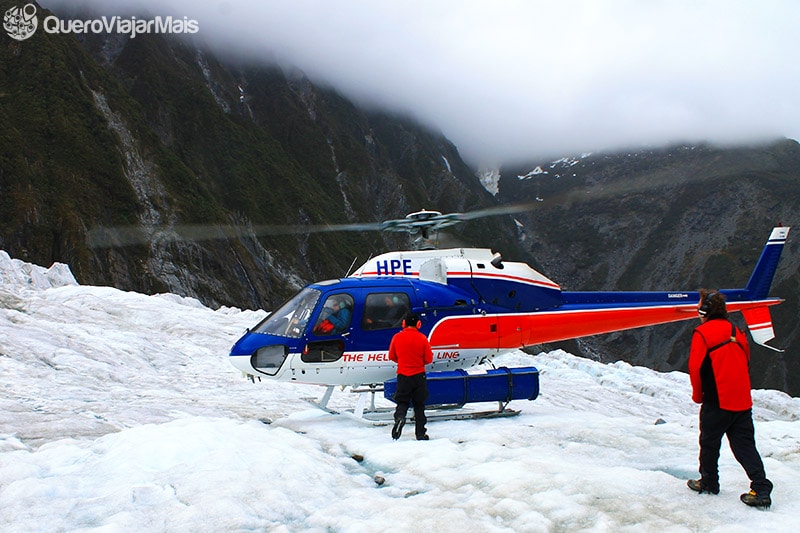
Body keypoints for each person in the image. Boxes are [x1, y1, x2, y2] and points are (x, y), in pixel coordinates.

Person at [686, 289, 773, 508]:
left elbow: (695, 368)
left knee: (709, 443)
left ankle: (709, 482)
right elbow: (746, 360)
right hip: (742, 400)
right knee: (745, 446)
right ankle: (761, 488)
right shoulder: (737, 331)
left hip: (718, 399)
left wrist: (698, 396)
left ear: (704, 311)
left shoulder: (703, 333)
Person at [388, 312, 433, 440]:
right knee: (419, 405)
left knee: (402, 401)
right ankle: (420, 433)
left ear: (404, 324)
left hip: (403, 375)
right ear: (418, 324)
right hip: (419, 375)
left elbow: (392, 356)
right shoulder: (422, 338)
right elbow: (429, 359)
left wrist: (403, 362)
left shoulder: (397, 337)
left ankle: (400, 418)